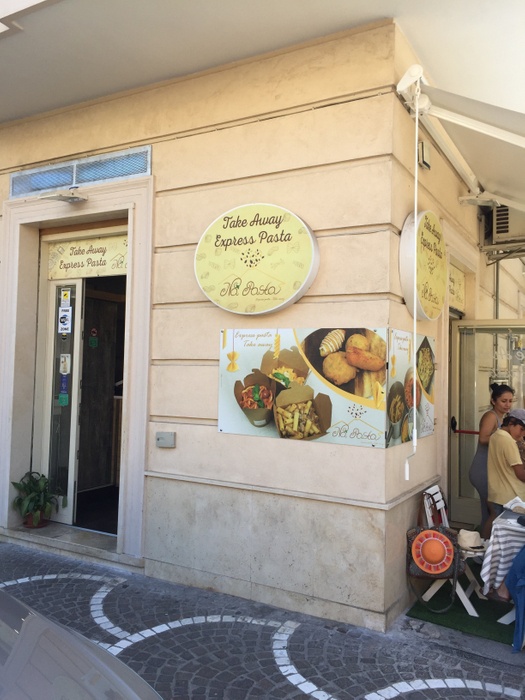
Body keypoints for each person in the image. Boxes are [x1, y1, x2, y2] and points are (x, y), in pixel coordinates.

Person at [469, 383, 515, 538]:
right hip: (482, 470)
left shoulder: (504, 417)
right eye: (504, 401)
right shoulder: (490, 416)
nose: (507, 405)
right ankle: (485, 544)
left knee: (488, 511)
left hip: (492, 470)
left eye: (510, 401)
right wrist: (506, 439)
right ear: (493, 401)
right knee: (494, 510)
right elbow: (483, 439)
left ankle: (487, 543)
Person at [486, 408, 525, 536]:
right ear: (511, 423)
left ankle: (483, 545)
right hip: (511, 496)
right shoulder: (509, 441)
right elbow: (521, 474)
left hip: (497, 492)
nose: (523, 434)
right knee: (508, 531)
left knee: (493, 521)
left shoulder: (495, 435)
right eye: (521, 429)